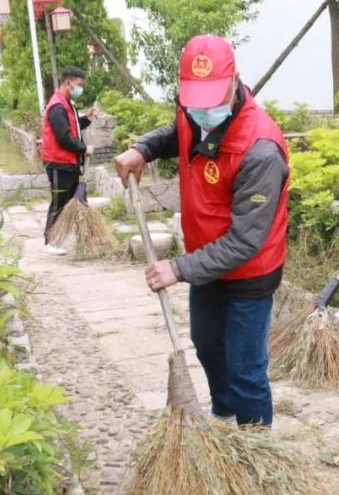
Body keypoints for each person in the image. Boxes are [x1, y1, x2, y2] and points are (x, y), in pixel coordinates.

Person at [114, 35, 290, 428]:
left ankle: (258, 449)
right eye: (194, 101)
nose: (202, 111)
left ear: (236, 81)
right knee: (208, 347)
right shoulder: (193, 109)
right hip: (205, 264)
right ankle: (224, 418)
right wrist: (143, 148)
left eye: (212, 100)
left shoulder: (260, 149)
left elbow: (245, 241)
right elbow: (177, 131)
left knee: (246, 369)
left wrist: (176, 269)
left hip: (249, 272)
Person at [42, 66, 98, 255]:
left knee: (79, 200)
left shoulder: (67, 104)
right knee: (60, 201)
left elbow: (73, 127)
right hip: (58, 162)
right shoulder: (57, 105)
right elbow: (63, 137)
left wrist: (87, 119)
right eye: (79, 85)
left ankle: (86, 238)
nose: (80, 88)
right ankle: (50, 240)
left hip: (70, 162)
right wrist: (84, 148)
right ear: (68, 83)